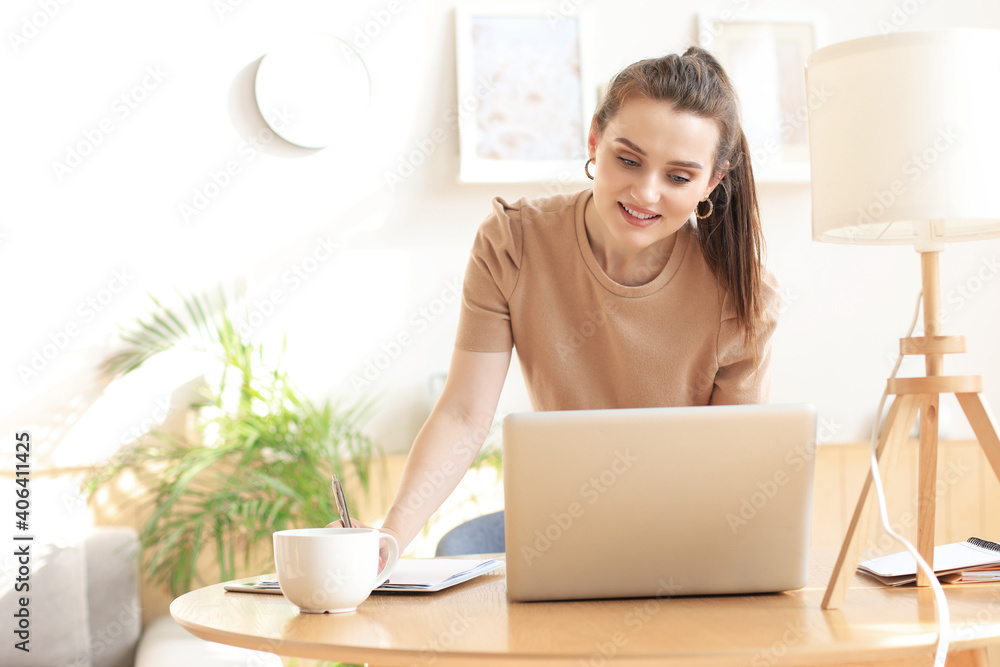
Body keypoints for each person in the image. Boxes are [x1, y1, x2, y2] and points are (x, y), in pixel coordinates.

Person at [334, 46, 780, 555]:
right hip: (565, 530)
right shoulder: (513, 243)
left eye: (678, 177)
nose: (645, 193)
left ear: (712, 181)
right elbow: (463, 414)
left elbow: (734, 469)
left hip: (684, 543)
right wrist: (390, 535)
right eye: (628, 160)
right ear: (595, 140)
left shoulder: (744, 296)